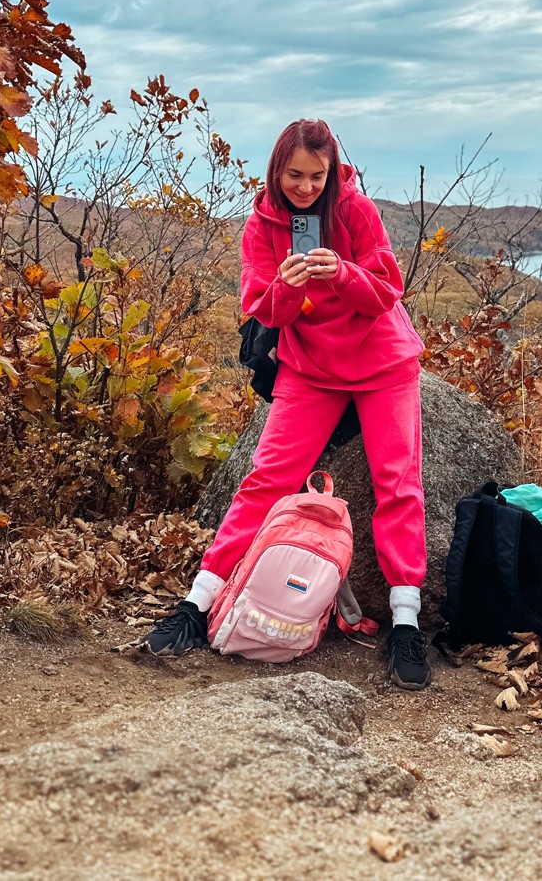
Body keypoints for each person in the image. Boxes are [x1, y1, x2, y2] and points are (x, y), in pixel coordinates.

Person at [142, 118, 431, 690]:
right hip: (311, 368)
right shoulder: (262, 225)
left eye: (316, 176)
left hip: (383, 362)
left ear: (332, 172)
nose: (305, 187)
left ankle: (405, 622)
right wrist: (290, 285)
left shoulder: (354, 209)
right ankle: (198, 605)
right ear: (276, 170)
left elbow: (386, 291)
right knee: (266, 478)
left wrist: (343, 273)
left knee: (398, 482)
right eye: (294, 175)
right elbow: (263, 310)